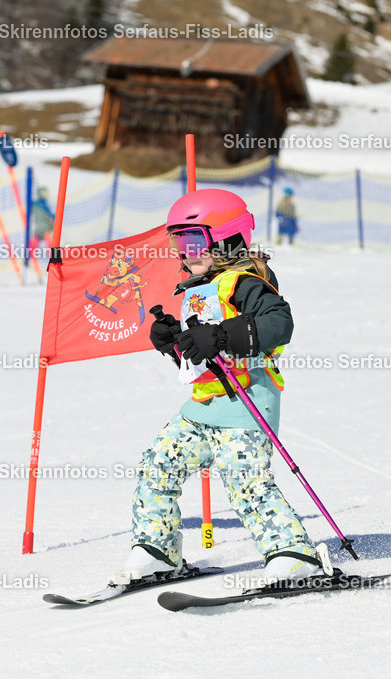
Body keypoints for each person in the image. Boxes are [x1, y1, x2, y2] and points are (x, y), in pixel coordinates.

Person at [113, 188, 328, 587]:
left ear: (227, 238)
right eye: (179, 242)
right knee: (159, 463)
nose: (185, 253)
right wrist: (174, 342)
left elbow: (280, 325)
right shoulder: (197, 288)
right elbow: (205, 357)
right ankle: (158, 550)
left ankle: (294, 554)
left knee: (244, 479)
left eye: (194, 241)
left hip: (247, 401)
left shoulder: (245, 282)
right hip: (204, 405)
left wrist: (224, 335)